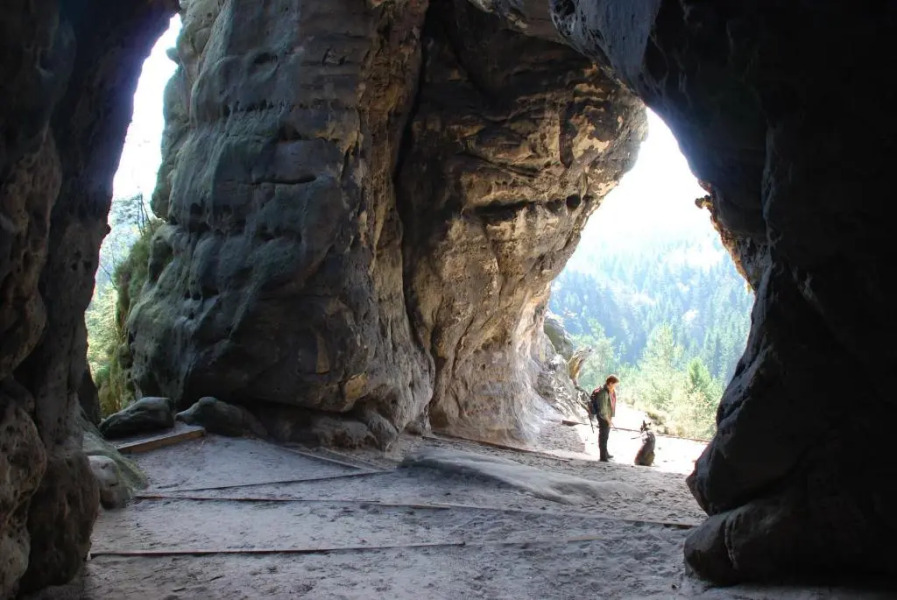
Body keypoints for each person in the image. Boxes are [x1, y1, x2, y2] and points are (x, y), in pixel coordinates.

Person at [590, 375, 619, 462]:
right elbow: (603, 410)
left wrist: (610, 418)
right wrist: (608, 420)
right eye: (615, 384)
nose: (616, 386)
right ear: (610, 383)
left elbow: (610, 405)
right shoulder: (603, 393)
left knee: (606, 436)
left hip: (608, 416)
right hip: (603, 417)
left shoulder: (610, 390)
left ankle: (606, 453)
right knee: (603, 436)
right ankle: (603, 456)